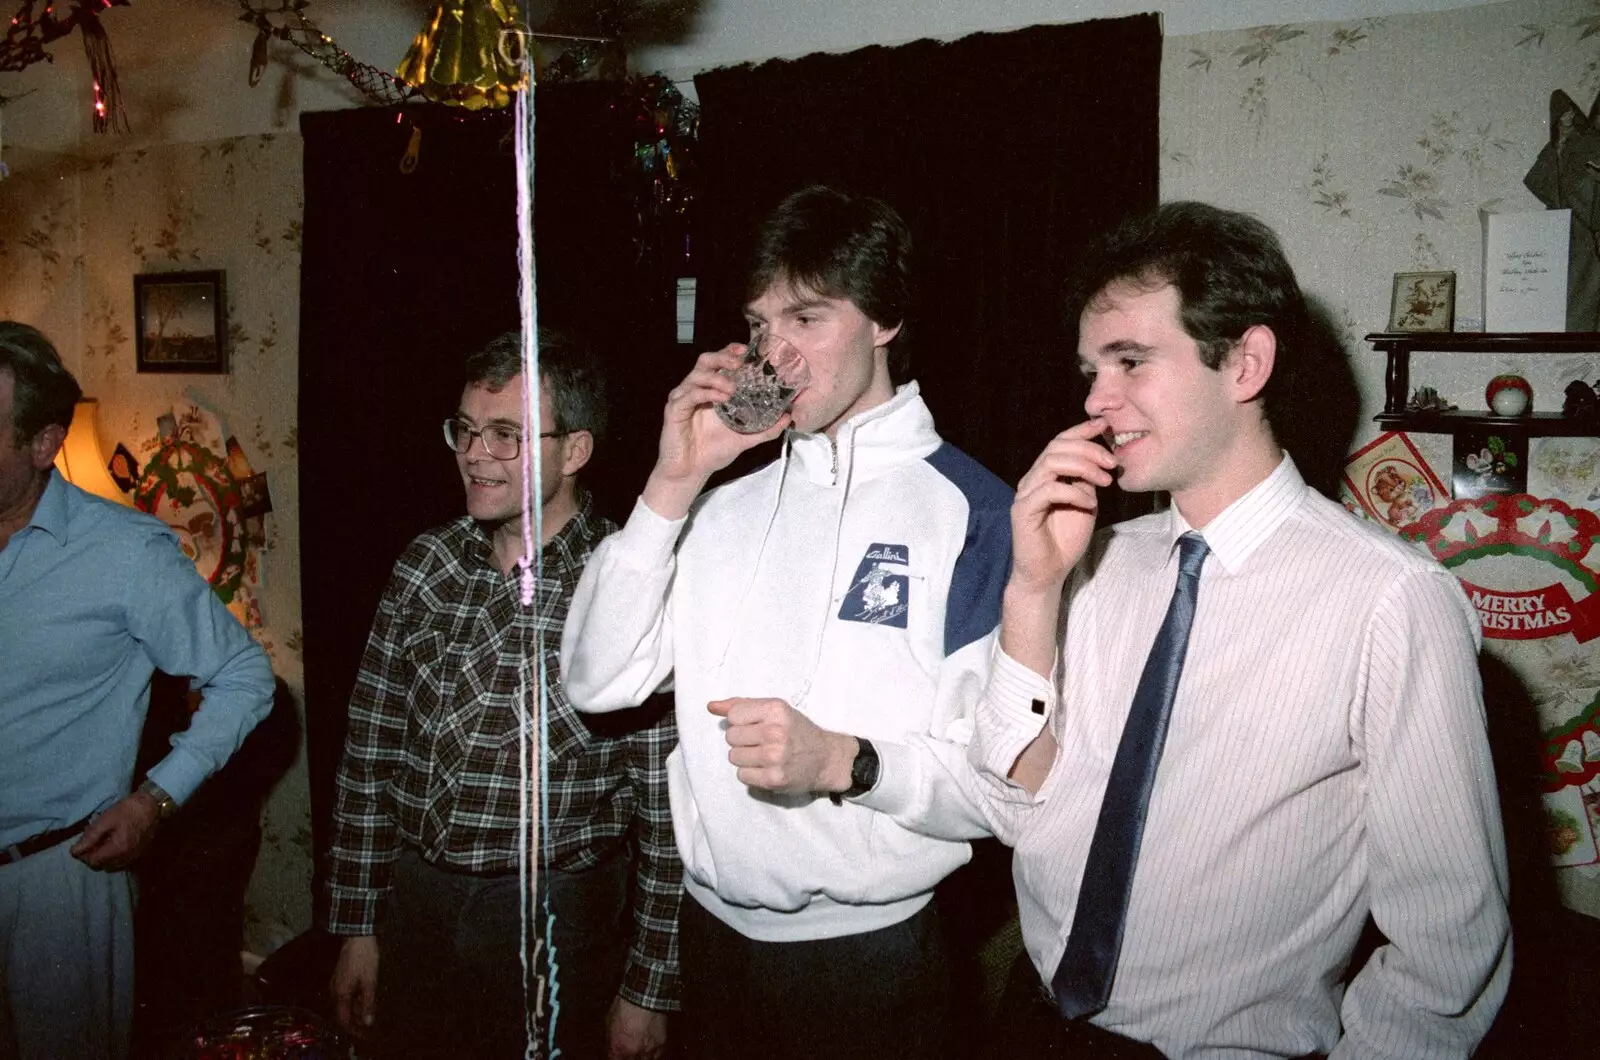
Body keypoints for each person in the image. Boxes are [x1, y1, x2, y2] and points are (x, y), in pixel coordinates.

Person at [966, 202, 1511, 1058]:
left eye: (1131, 363)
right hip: (1029, 1026)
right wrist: (1031, 593)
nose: (1094, 402)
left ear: (1245, 363)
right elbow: (1013, 809)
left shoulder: (1391, 599)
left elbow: (1448, 950)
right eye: (1090, 369)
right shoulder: (1096, 565)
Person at [560, 185, 1013, 1060]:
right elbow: (595, 680)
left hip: (871, 963)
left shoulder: (976, 511)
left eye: (807, 318)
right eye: (762, 325)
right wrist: (671, 483)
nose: (778, 354)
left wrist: (844, 762)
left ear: (883, 321)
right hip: (710, 944)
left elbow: (999, 791)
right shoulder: (720, 508)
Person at [324, 330, 680, 1060]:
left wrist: (648, 988)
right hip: (415, 903)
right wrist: (358, 926)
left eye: (506, 435)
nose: (474, 452)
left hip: (559, 918)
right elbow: (369, 758)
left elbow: (666, 816)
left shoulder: (627, 586)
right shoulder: (426, 564)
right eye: (465, 429)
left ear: (574, 451)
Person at [0, 321, 275, 1060]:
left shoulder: (123, 554)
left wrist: (155, 799)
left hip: (57, 881)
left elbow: (245, 678)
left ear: (43, 441)